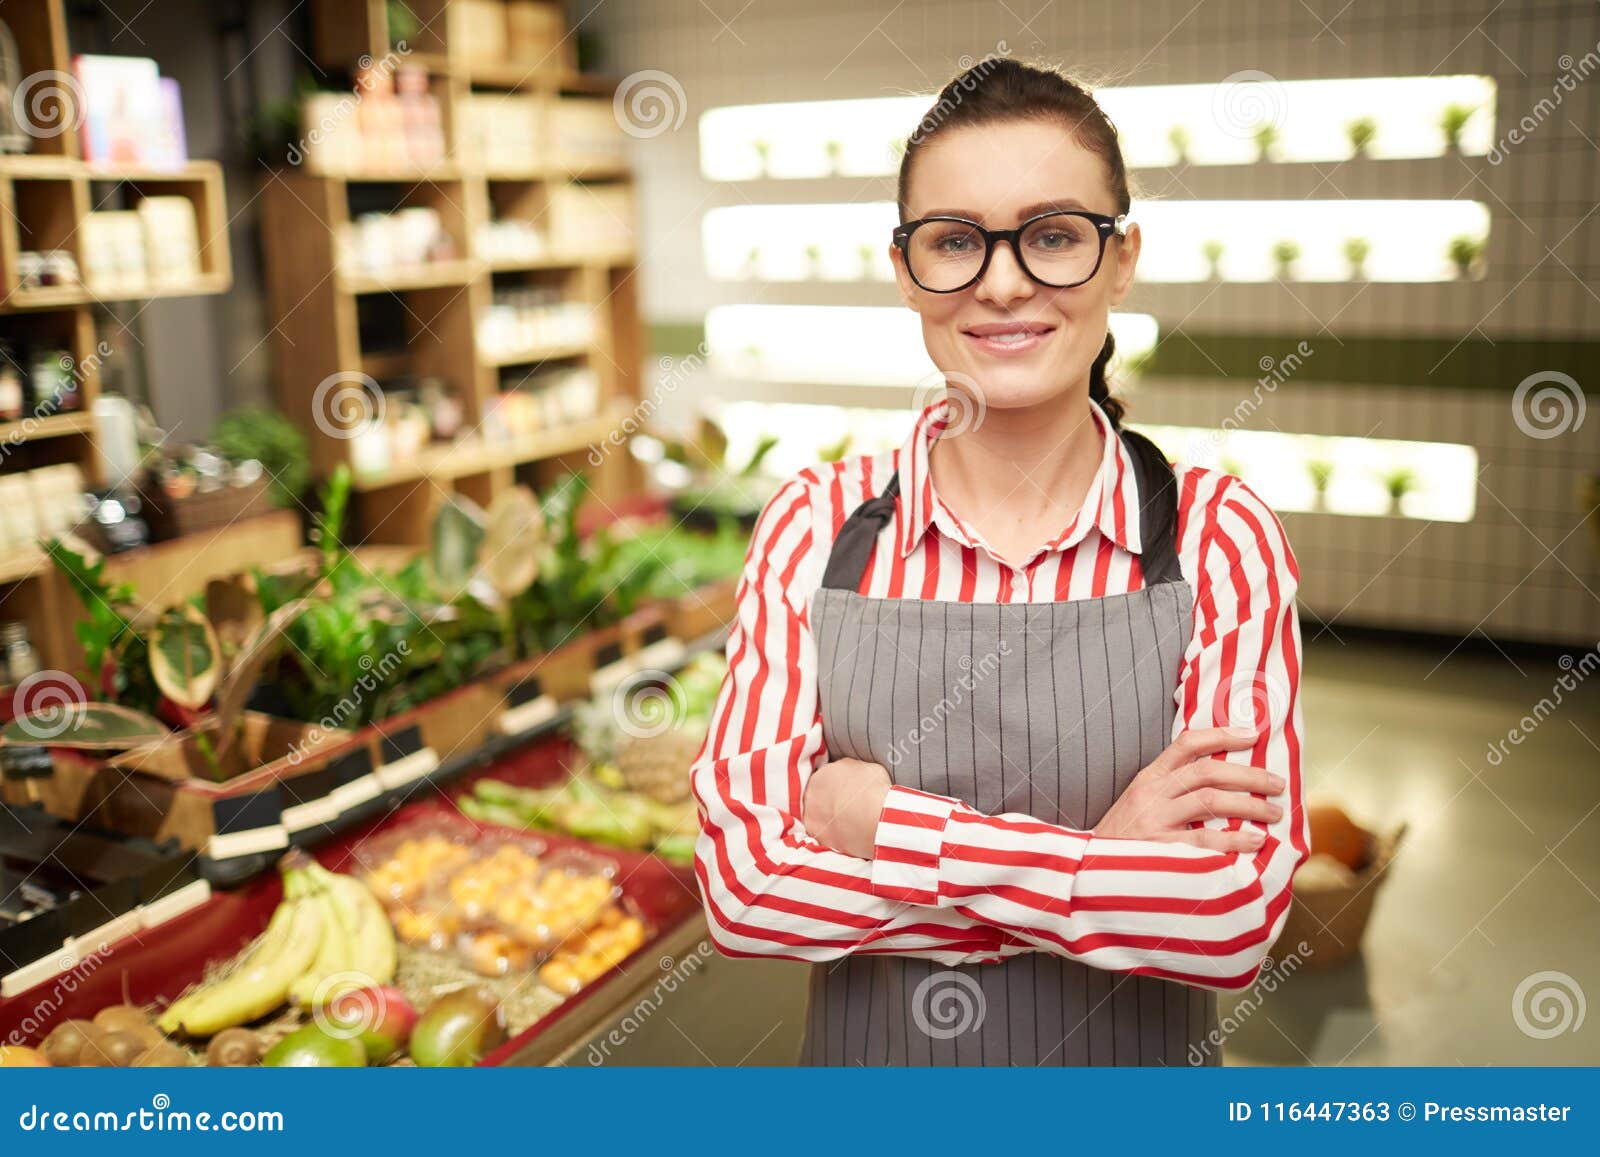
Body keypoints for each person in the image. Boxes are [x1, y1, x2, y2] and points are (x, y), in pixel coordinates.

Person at [689, 56, 1309, 1066]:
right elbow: (748, 896)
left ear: (1121, 258)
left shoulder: (1217, 537)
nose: (1005, 281)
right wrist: (1104, 867)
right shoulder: (815, 524)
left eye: (1054, 234)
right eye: (955, 241)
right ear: (904, 268)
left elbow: (1226, 920)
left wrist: (881, 824)